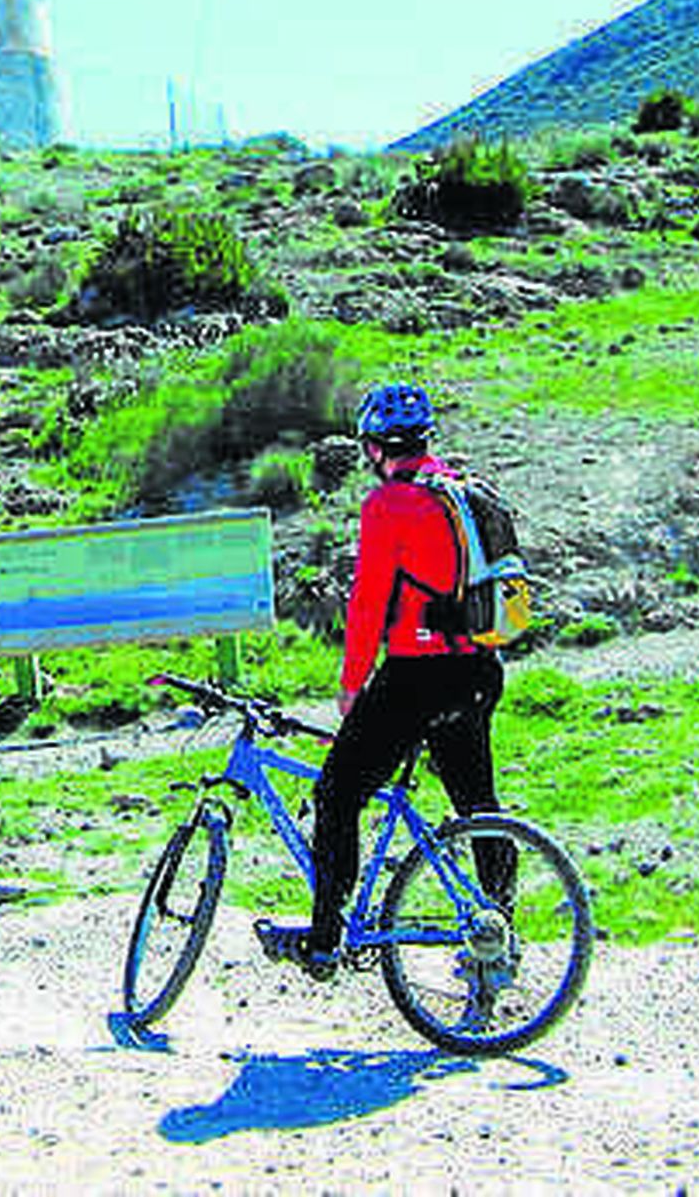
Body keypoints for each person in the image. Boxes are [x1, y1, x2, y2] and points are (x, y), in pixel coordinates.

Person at [256, 381, 505, 979]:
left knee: (337, 793)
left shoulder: (387, 506)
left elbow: (368, 602)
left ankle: (323, 938)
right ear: (425, 441)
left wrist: (350, 684)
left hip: (416, 676)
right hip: (477, 669)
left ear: (372, 448)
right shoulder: (466, 493)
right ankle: (499, 934)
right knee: (478, 808)